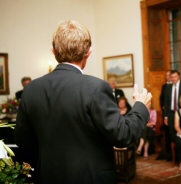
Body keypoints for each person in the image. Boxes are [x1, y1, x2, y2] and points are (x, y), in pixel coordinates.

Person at [14, 20, 152, 184]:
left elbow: (23, 143)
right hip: (91, 178)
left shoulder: (30, 90)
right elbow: (122, 135)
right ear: (89, 52)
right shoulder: (96, 87)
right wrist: (141, 106)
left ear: (53, 50)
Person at [158, 70, 172, 161]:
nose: (167, 76)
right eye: (166, 75)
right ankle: (168, 152)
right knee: (166, 133)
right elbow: (162, 98)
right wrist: (163, 106)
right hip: (166, 112)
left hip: (174, 113)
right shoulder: (164, 86)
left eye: (169, 75)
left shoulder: (174, 86)